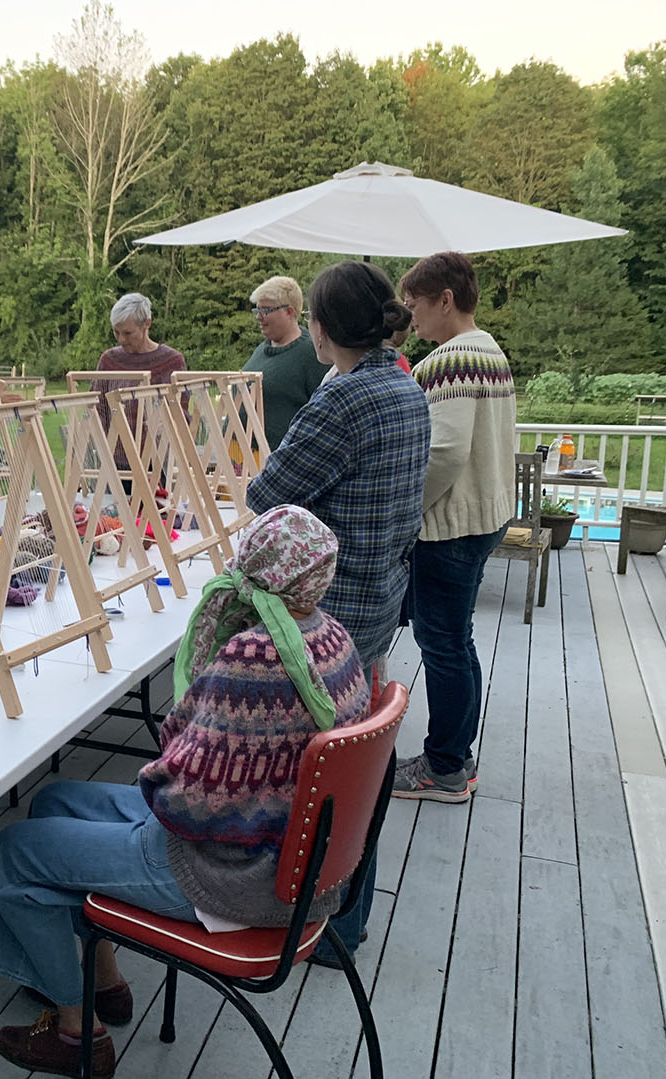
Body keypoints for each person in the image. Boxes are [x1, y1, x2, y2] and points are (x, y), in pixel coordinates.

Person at [0, 506, 369, 1079]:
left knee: (16, 852)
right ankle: (104, 984)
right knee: (53, 801)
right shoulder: (333, 637)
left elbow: (181, 791)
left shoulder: (255, 656)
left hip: (229, 874)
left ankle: (75, 1033)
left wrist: (166, 766)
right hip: (279, 853)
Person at [245, 260, 430, 965]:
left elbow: (269, 494)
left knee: (317, 777)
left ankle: (318, 923)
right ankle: (346, 921)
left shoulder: (344, 399)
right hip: (380, 596)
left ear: (322, 327)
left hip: (329, 614)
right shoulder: (404, 385)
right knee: (356, 770)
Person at [393, 251, 516, 802]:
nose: (409, 314)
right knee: (457, 642)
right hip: (485, 515)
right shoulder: (491, 350)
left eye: (414, 303)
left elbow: (443, 453)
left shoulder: (449, 361)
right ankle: (457, 756)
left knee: (442, 645)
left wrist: (405, 512)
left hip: (449, 525)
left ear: (445, 300)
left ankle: (443, 768)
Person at [93, 293, 186, 472]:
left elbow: (182, 414)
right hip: (117, 465)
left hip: (159, 465)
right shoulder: (109, 361)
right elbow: (98, 410)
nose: (121, 339)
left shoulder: (172, 361)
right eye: (116, 332)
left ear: (147, 324)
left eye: (128, 333)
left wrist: (166, 425)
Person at [241, 276, 327, 449]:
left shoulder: (311, 353)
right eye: (257, 310)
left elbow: (324, 415)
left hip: (277, 458)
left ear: (289, 312)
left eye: (266, 310)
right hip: (239, 456)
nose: (259, 317)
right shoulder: (261, 350)